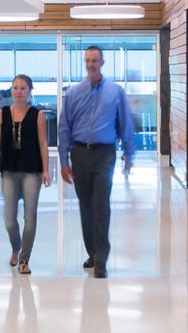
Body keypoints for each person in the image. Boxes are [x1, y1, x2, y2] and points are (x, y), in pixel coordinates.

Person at [57, 45, 134, 278]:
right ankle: (92, 252)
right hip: (80, 154)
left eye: (95, 60)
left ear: (102, 62)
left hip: (105, 154)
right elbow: (64, 128)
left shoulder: (115, 92)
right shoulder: (73, 93)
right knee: (86, 206)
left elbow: (125, 124)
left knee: (101, 205)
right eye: (87, 60)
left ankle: (101, 259)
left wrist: (129, 153)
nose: (91, 64)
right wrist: (63, 160)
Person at [0, 73, 51, 274]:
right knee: (9, 219)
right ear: (11, 90)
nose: (19, 91)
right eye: (15, 87)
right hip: (9, 169)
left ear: (30, 91)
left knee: (30, 217)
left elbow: (43, 143)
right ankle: (16, 246)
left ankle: (24, 259)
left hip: (32, 170)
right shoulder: (2, 114)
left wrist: (46, 170)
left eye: (23, 88)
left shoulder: (37, 115)